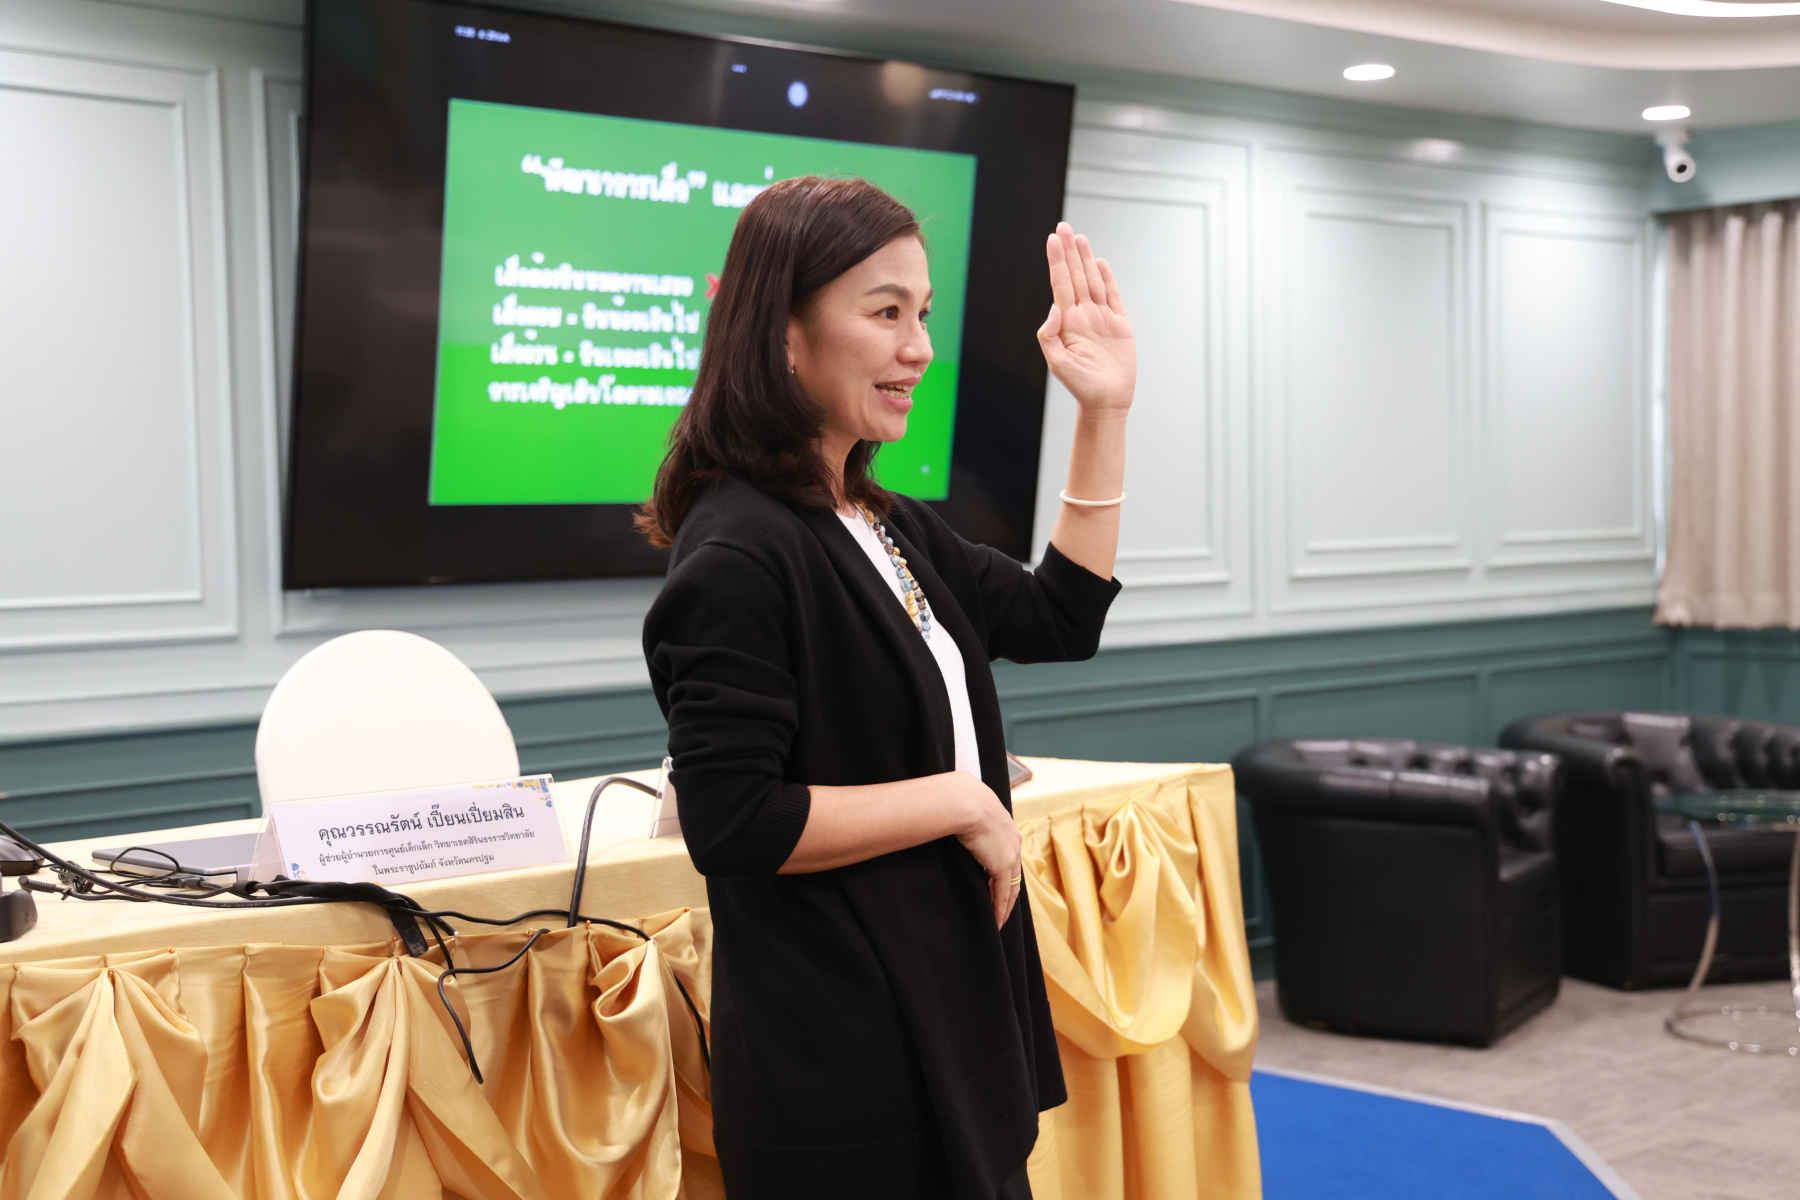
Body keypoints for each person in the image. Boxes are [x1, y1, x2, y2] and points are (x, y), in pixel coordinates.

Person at [639, 175, 1135, 1200]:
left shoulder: (883, 520)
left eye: (923, 314)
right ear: (783, 335)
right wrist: (960, 800)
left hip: (953, 1011)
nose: (920, 348)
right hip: (843, 1055)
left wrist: (1105, 411)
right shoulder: (736, 550)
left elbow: (1060, 616)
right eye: (885, 313)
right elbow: (734, 821)